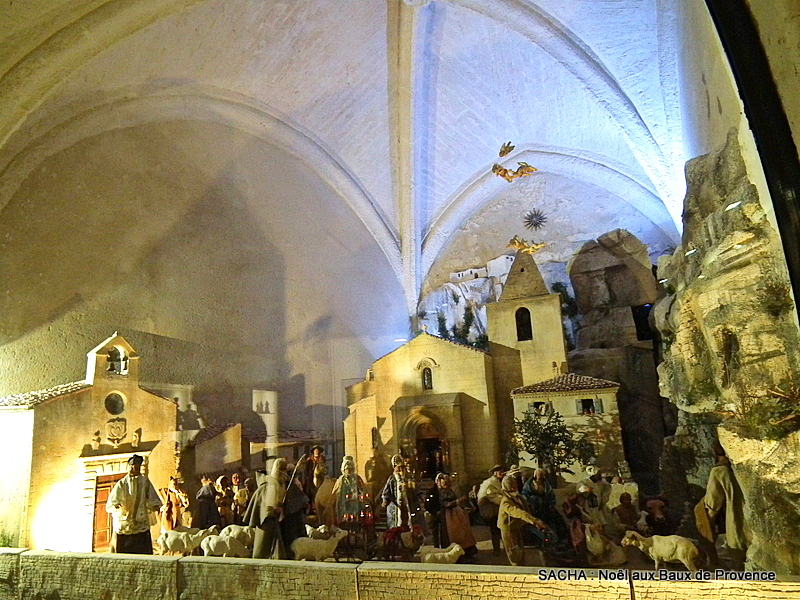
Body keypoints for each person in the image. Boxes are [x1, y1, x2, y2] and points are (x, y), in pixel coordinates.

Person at [694, 443, 747, 569]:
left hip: (738, 520)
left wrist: (703, 514)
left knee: (739, 560)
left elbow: (712, 503)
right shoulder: (745, 465)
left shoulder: (719, 471)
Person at [105, 454, 161, 554]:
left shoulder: (145, 482)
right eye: (132, 467)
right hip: (125, 520)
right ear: (129, 467)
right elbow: (113, 499)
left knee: (141, 546)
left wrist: (154, 505)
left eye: (137, 467)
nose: (134, 469)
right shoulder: (122, 483)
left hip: (140, 520)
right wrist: (116, 505)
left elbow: (151, 496)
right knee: (124, 549)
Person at [424, 473, 477, 560]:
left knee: (462, 532)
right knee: (451, 533)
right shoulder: (436, 492)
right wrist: (457, 502)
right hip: (446, 516)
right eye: (443, 482)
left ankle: (465, 551)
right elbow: (445, 504)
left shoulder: (449, 491)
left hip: (455, 514)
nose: (446, 484)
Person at [498, 473, 547, 566]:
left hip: (518, 527)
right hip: (509, 530)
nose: (516, 486)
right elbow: (518, 512)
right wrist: (534, 520)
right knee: (514, 555)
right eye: (513, 485)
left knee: (521, 552)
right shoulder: (506, 501)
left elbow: (526, 510)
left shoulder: (518, 496)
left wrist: (534, 521)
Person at [244, 458, 289, 559]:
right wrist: (274, 510)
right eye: (283, 469)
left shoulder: (278, 483)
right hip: (266, 519)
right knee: (263, 544)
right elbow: (266, 504)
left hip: (274, 518)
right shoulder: (270, 485)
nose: (285, 472)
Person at [521, 468, 568, 546]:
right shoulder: (529, 484)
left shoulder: (546, 484)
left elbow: (551, 495)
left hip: (545, 506)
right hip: (534, 506)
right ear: (535, 475)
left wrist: (551, 504)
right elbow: (525, 494)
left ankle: (559, 540)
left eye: (541, 475)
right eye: (538, 474)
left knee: (556, 519)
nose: (539, 476)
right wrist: (529, 502)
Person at [281, 464, 309, 558]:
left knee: (297, 531)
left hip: (295, 511)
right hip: (289, 512)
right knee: (290, 533)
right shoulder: (286, 483)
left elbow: (300, 495)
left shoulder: (295, 483)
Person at [477, 464, 505, 554]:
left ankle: (504, 548)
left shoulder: (500, 482)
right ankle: (497, 550)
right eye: (499, 471)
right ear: (494, 473)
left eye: (502, 471)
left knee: (501, 528)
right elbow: (493, 497)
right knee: (495, 529)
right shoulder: (490, 483)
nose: (501, 473)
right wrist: (506, 501)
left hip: (498, 509)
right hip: (492, 510)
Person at [381, 454, 412, 529]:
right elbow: (386, 493)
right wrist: (385, 500)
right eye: (398, 467)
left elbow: (415, 490)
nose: (400, 469)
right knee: (395, 527)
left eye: (401, 467)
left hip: (406, 506)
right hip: (395, 507)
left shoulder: (408, 478)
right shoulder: (392, 479)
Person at [333, 455, 365, 524]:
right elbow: (336, 493)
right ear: (344, 470)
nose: (349, 471)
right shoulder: (341, 480)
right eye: (347, 469)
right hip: (344, 504)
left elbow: (362, 489)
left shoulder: (357, 478)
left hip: (355, 505)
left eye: (351, 469)